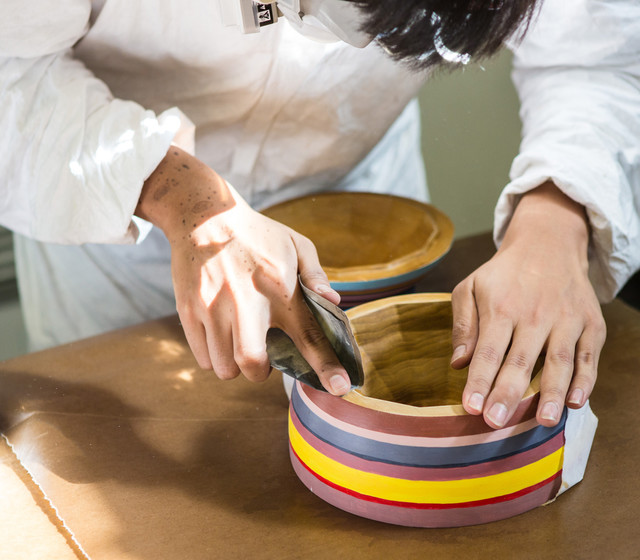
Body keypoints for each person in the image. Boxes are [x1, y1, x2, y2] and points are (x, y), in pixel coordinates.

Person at [1, 1, 637, 430]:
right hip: (111, 206)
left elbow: (598, 53)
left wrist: (558, 218)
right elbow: (9, 74)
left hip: (362, 192)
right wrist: (178, 195)